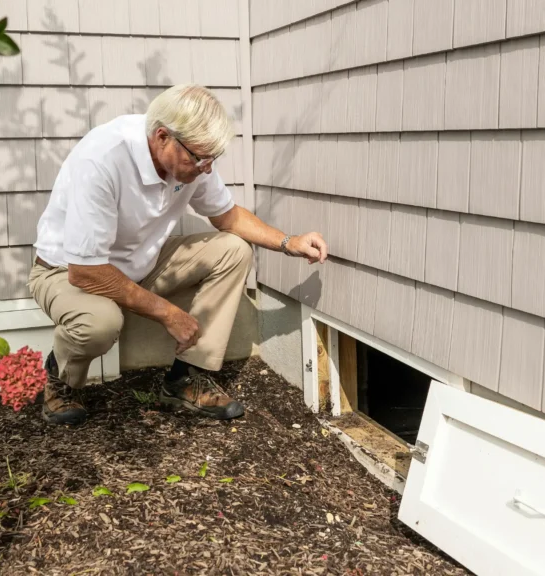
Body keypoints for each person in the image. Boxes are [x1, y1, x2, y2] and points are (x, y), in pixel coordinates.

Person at [28, 84, 329, 425]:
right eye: (199, 158)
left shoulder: (191, 160)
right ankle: (60, 379)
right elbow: (85, 271)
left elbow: (227, 217)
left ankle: (186, 379)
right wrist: (169, 314)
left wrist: (289, 242)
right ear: (161, 137)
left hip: (140, 264)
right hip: (65, 271)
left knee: (233, 249)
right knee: (100, 324)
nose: (206, 169)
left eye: (212, 159)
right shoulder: (103, 159)